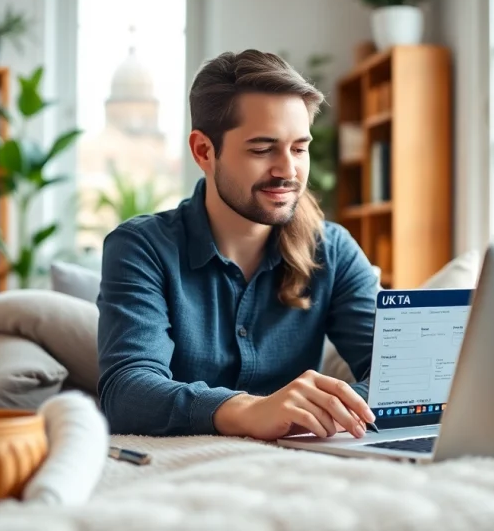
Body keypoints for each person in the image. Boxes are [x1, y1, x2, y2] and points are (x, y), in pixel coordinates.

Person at [96, 49, 380, 441]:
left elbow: (397, 374)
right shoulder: (141, 248)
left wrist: (323, 409)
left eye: (299, 148)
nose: (288, 170)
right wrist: (248, 411)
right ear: (203, 151)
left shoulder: (332, 250)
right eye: (262, 149)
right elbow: (126, 392)